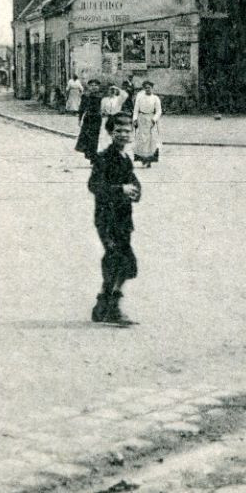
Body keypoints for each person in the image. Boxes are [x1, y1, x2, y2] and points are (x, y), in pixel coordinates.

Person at [88, 114, 142, 324]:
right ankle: (110, 307)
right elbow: (94, 185)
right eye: (118, 130)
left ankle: (105, 304)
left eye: (127, 131)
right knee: (115, 258)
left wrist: (136, 191)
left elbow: (133, 183)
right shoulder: (103, 158)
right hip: (106, 218)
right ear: (110, 133)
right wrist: (121, 189)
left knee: (126, 262)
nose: (123, 134)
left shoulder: (126, 158)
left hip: (123, 218)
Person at [132, 81, 163, 167]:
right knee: (142, 139)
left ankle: (149, 159)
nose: (147, 89)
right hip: (141, 118)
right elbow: (136, 109)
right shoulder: (140, 98)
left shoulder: (155, 98)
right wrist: (135, 119)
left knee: (151, 140)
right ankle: (142, 159)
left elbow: (159, 111)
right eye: (146, 88)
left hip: (151, 119)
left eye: (149, 87)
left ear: (152, 88)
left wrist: (154, 119)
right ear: (144, 89)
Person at [74, 80, 104, 160]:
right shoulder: (86, 96)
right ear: (89, 87)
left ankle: (92, 153)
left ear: (98, 87)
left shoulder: (101, 96)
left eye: (95, 85)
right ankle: (89, 153)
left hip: (97, 117)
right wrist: (80, 119)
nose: (94, 87)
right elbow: (82, 108)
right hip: (88, 117)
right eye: (92, 85)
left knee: (95, 136)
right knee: (86, 135)